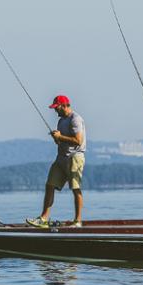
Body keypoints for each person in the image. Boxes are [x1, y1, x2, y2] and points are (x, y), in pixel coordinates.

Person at [26, 95, 86, 228]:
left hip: (75, 157)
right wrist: (57, 138)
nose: (55, 111)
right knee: (50, 185)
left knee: (75, 188)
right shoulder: (61, 121)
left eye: (56, 107)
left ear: (64, 105)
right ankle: (43, 219)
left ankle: (78, 221)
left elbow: (78, 141)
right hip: (61, 158)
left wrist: (60, 137)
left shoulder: (75, 119)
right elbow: (61, 141)